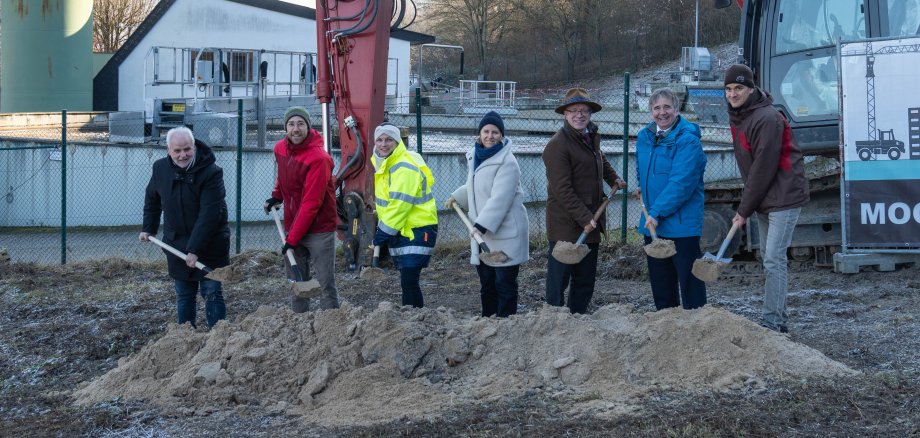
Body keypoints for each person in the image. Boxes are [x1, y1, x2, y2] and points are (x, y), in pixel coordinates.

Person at [724, 64, 809, 333]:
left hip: (784, 193)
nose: (733, 94)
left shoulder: (767, 118)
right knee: (768, 257)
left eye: (739, 88)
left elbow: (763, 167)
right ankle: (778, 318)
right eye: (728, 89)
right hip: (765, 196)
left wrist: (744, 209)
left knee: (773, 258)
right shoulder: (740, 116)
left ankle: (773, 322)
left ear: (751, 89)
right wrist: (751, 203)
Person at [543, 88, 627, 314]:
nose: (579, 115)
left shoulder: (590, 137)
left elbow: (599, 160)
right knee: (559, 280)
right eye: (574, 111)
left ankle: (578, 319)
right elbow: (562, 189)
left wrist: (613, 178)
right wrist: (584, 218)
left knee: (585, 279)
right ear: (565, 114)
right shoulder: (557, 145)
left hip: (591, 219)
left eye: (584, 111)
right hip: (566, 225)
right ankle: (553, 320)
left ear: (590, 114)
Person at [140, 126, 229, 329]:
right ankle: (185, 338)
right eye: (177, 151)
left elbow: (210, 214)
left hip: (211, 243)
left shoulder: (211, 173)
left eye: (187, 149)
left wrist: (195, 249)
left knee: (212, 291)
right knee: (184, 294)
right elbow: (152, 200)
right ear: (168, 150)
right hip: (176, 243)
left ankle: (219, 338)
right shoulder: (160, 168)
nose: (182, 155)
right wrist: (149, 228)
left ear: (195, 147)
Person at [446, 111, 529, 317]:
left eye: (495, 132)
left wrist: (481, 225)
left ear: (501, 135)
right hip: (482, 232)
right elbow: (474, 186)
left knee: (504, 283)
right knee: (487, 283)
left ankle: (506, 323)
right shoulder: (475, 156)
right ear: (480, 134)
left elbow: (500, 198)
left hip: (506, 232)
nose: (490, 136)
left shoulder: (508, 163)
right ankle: (488, 322)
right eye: (486, 131)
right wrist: (458, 197)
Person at [636, 88, 708, 311]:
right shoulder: (644, 137)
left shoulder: (688, 141)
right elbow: (642, 171)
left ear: (677, 110)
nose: (662, 112)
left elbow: (681, 183)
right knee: (661, 284)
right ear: (651, 111)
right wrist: (648, 204)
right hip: (653, 222)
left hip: (681, 224)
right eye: (656, 108)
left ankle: (696, 328)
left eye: (667, 107)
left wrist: (656, 212)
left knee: (690, 283)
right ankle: (667, 329)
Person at [264, 106, 339, 313]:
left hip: (319, 229)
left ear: (308, 126)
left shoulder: (319, 159)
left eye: (300, 124)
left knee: (325, 283)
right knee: (297, 281)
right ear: (285, 127)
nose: (295, 129)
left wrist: (292, 239)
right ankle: (299, 322)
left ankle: (333, 324)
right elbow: (284, 174)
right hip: (293, 225)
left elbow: (311, 203)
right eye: (291, 124)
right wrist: (276, 195)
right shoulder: (280, 148)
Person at [371, 123, 438, 308]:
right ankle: (410, 318)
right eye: (380, 140)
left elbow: (400, 204)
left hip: (417, 229)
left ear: (398, 141)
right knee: (407, 280)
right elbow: (390, 203)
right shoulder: (387, 164)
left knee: (409, 279)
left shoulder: (403, 166)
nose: (384, 144)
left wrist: (382, 233)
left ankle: (414, 319)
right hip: (404, 229)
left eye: (389, 139)